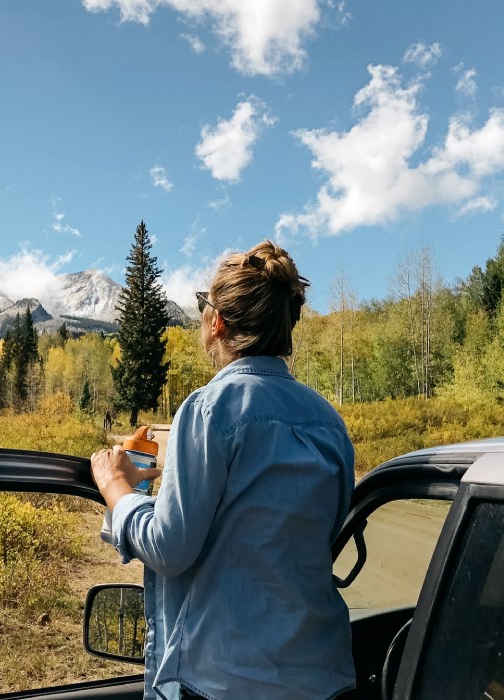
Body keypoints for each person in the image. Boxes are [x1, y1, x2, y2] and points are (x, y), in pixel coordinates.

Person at [91, 240, 356, 700]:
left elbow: (170, 548)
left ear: (217, 321)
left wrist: (117, 487)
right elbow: (319, 541)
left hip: (228, 681)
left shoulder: (210, 409)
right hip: (324, 677)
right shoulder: (329, 422)